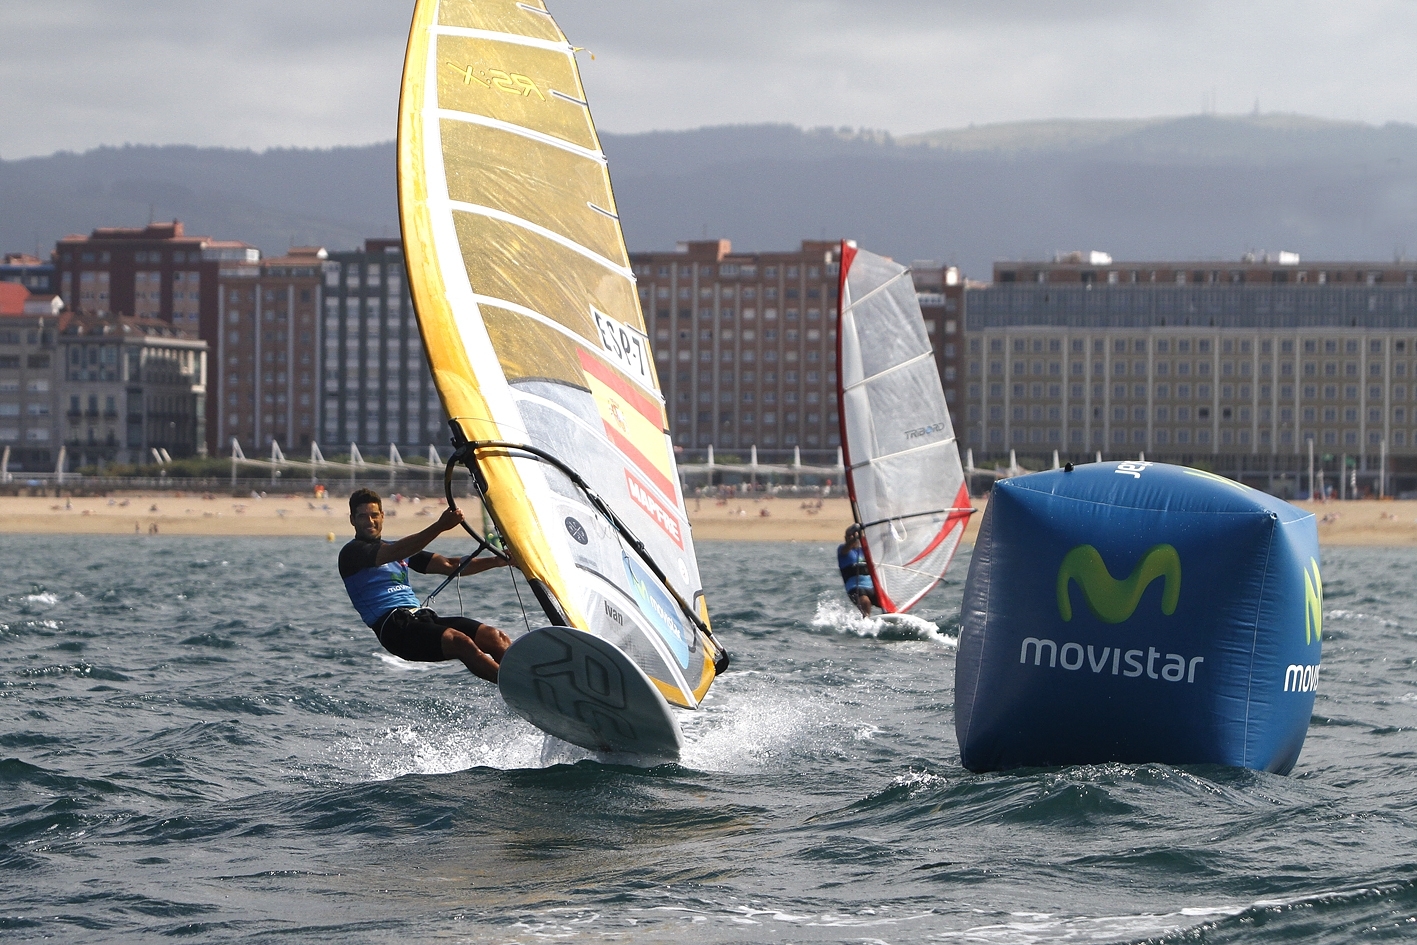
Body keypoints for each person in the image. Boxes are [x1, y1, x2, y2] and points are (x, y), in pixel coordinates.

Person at [340, 487, 512, 682]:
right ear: (352, 520)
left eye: (374, 515)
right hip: (395, 630)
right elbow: (392, 553)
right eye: (362, 516)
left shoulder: (399, 550)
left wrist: (498, 561)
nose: (370, 521)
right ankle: (518, 688)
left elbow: (450, 565)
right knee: (460, 642)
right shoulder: (352, 553)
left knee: (495, 637)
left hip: (421, 618)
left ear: (382, 516)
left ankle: (529, 678)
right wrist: (440, 526)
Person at [837, 523, 878, 617]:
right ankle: (866, 621)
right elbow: (850, 543)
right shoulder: (842, 550)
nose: (851, 538)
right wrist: (856, 536)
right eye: (849, 536)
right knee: (865, 602)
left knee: (891, 601)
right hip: (855, 588)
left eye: (854, 535)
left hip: (871, 587)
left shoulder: (865, 550)